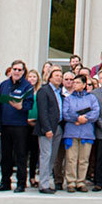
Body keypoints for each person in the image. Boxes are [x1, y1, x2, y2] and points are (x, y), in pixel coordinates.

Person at [0, 61, 34, 193]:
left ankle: (21, 183)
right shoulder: (4, 85)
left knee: (20, 155)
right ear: (10, 70)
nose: (17, 72)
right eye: (15, 69)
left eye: (19, 70)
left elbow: (30, 104)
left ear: (23, 72)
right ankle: (5, 182)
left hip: (20, 126)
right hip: (5, 125)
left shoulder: (27, 86)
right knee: (5, 156)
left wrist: (21, 107)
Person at [61, 73, 100, 192]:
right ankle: (71, 182)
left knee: (84, 159)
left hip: (86, 132)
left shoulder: (91, 98)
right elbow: (65, 113)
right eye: (74, 82)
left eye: (78, 82)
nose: (75, 84)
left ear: (84, 85)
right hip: (72, 131)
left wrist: (85, 119)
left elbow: (95, 112)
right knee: (71, 158)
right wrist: (76, 118)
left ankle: (80, 181)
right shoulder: (68, 98)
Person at [35, 65, 64, 194]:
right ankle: (43, 184)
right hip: (47, 129)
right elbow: (42, 111)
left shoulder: (59, 91)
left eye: (61, 76)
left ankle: (47, 181)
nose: (59, 78)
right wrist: (47, 128)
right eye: (56, 76)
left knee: (52, 157)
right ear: (50, 78)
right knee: (45, 156)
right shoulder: (44, 91)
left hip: (58, 127)